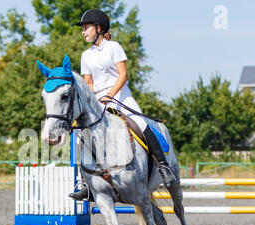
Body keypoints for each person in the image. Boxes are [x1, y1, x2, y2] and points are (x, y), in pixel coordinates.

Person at [69, 9, 177, 201]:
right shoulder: (86, 55)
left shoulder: (114, 47)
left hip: (121, 97)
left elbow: (123, 75)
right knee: (81, 138)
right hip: (98, 103)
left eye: (86, 28)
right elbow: (89, 84)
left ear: (98, 28)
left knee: (141, 124)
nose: (83, 32)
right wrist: (90, 102)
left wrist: (110, 94)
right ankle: (86, 183)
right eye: (83, 29)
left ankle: (163, 167)